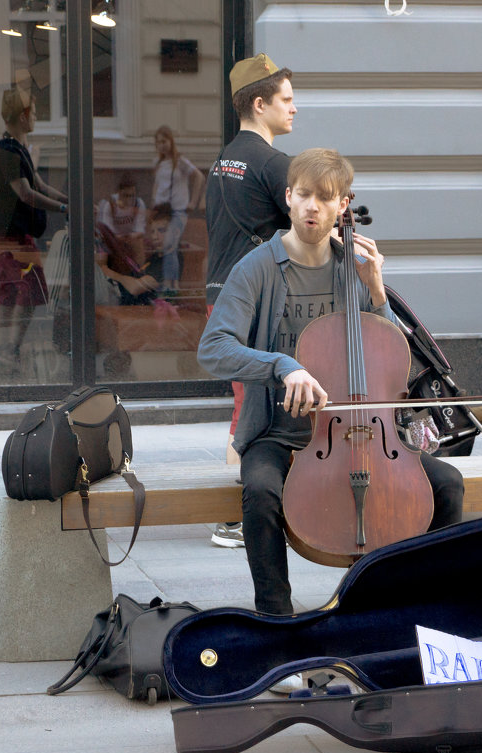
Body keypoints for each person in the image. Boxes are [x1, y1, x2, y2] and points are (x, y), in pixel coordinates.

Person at [198, 148, 465, 618]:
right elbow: (213, 348)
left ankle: (419, 609)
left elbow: (389, 359)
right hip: (281, 436)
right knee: (260, 493)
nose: (311, 208)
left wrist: (377, 291)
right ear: (287, 197)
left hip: (360, 434)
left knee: (447, 486)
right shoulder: (257, 268)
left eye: (324, 198)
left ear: (344, 205)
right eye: (303, 195)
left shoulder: (354, 268)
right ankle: (277, 622)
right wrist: (282, 364)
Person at [203, 53, 297, 548]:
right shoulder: (275, 164)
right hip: (253, 298)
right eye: (286, 100)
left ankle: (238, 509)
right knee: (252, 409)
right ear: (259, 104)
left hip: (220, 290)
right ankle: (236, 518)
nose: (294, 110)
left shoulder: (223, 160)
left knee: (246, 402)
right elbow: (310, 227)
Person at [0, 86, 68, 373]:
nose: (36, 117)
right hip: (10, 236)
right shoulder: (7, 151)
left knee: (17, 292)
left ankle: (5, 351)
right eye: (33, 112)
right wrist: (62, 209)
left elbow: (39, 186)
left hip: (14, 234)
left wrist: (69, 201)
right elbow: (27, 194)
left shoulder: (16, 147)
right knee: (27, 291)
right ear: (23, 116)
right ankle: (7, 351)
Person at [152, 125, 204, 292]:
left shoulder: (180, 161)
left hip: (178, 210)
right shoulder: (159, 162)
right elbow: (157, 184)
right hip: (163, 210)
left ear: (171, 141)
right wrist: (154, 201)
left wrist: (193, 202)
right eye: (158, 142)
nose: (161, 145)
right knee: (167, 247)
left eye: (164, 141)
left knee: (169, 244)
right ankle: (171, 283)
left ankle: (171, 284)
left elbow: (199, 177)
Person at [97, 172, 148, 268]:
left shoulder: (138, 203)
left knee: (139, 243)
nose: (129, 200)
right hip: (112, 240)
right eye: (126, 196)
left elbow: (140, 230)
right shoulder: (109, 204)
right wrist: (118, 238)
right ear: (119, 193)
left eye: (132, 196)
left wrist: (129, 237)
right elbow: (105, 231)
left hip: (130, 238)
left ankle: (139, 271)